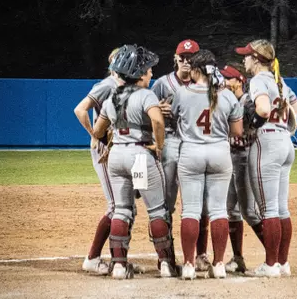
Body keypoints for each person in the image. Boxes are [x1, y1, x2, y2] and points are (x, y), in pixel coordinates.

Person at [93, 44, 178, 279]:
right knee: (157, 210)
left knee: (121, 209)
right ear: (138, 73)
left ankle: (119, 265)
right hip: (140, 157)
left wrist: (111, 141)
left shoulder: (112, 97)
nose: (151, 73)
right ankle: (166, 265)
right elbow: (158, 123)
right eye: (148, 70)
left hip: (118, 157)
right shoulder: (146, 95)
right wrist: (158, 146)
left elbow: (99, 130)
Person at [171, 49, 243, 280]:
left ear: (196, 70)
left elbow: (174, 118)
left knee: (190, 210)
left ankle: (190, 265)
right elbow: (237, 131)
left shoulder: (182, 93)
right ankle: (219, 264)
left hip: (191, 151)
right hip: (220, 152)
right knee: (219, 210)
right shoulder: (228, 96)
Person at [234, 39, 297, 278]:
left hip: (267, 141)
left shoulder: (258, 81)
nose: (244, 59)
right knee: (282, 208)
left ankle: (271, 264)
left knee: (269, 209)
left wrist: (256, 119)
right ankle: (282, 263)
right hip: (285, 141)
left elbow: (262, 109)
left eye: (246, 56)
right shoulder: (279, 81)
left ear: (256, 59)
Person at [151, 39, 211, 271]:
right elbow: (148, 112)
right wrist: (158, 111)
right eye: (182, 57)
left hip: (195, 143)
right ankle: (165, 257)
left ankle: (201, 254)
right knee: (165, 203)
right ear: (175, 58)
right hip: (169, 142)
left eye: (191, 58)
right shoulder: (162, 84)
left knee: (199, 203)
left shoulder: (204, 84)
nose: (186, 62)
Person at [74, 48, 122, 275]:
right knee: (115, 206)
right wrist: (94, 135)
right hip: (105, 150)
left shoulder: (127, 86)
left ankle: (118, 260)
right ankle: (92, 258)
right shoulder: (107, 85)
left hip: (120, 149)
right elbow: (80, 109)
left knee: (125, 206)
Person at [219, 63, 263, 274]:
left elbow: (257, 121)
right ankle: (238, 259)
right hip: (230, 157)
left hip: (245, 157)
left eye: (228, 78)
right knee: (231, 210)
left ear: (238, 81)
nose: (224, 81)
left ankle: (275, 257)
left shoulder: (247, 101)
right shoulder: (226, 100)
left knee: (249, 211)